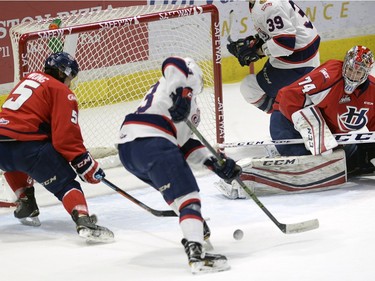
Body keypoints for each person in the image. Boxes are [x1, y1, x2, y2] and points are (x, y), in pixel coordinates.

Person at [117, 56, 241, 274]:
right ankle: (197, 254)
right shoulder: (181, 81)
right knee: (188, 195)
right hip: (152, 140)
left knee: (176, 193)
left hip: (129, 151)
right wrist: (182, 94)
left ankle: (193, 223)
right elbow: (173, 62)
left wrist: (214, 164)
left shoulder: (188, 108)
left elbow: (185, 146)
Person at [0, 52, 114, 243]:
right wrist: (83, 163)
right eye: (70, 77)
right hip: (28, 149)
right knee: (66, 184)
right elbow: (65, 138)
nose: (70, 82)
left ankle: (26, 201)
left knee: (14, 162)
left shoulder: (28, 80)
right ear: (64, 73)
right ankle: (84, 221)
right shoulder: (62, 91)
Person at [273, 45, 375, 177]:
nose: (353, 75)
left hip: (329, 138)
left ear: (366, 73)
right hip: (286, 120)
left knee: (333, 165)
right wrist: (312, 127)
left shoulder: (373, 91)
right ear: (344, 65)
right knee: (309, 169)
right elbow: (288, 96)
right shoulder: (329, 75)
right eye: (350, 69)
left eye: (359, 72)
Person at [227, 0, 320, 116]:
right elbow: (278, 32)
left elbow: (285, 44)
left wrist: (256, 52)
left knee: (249, 88)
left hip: (296, 65)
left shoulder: (267, 6)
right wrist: (254, 44)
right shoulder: (260, 3)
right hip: (304, 57)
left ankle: (286, 115)